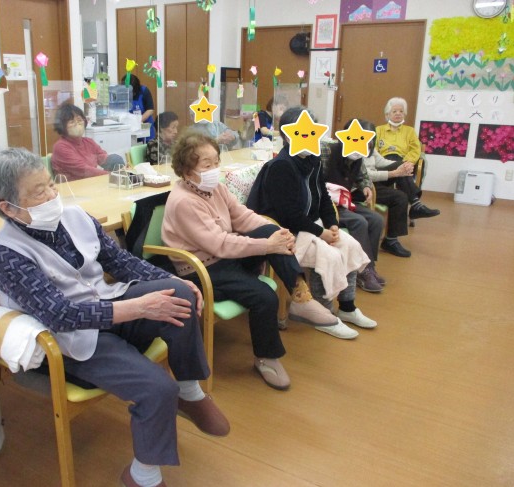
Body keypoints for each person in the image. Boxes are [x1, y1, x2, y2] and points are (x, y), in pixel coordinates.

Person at [0, 147, 228, 487]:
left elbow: (121, 262)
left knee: (178, 293)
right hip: (70, 341)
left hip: (108, 306)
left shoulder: (75, 217)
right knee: (157, 388)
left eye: (51, 184)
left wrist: (174, 280)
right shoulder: (3, 254)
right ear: (8, 207)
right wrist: (138, 308)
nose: (52, 195)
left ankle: (190, 392)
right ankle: (142, 475)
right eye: (38, 192)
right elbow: (60, 314)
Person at [162, 132, 357, 390]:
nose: (215, 169)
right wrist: (268, 245)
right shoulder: (184, 202)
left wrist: (277, 232)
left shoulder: (215, 188)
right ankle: (266, 358)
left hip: (224, 257)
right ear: (187, 171)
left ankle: (301, 296)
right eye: (207, 165)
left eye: (216, 162)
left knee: (269, 230)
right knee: (264, 295)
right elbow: (219, 243)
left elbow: (243, 216)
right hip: (200, 269)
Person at [247, 107, 377, 331]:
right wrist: (321, 233)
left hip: (312, 226)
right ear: (288, 135)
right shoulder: (281, 166)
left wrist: (332, 224)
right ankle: (324, 313)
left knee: (349, 245)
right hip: (288, 231)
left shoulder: (313, 159)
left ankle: (347, 307)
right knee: (328, 255)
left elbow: (323, 195)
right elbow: (288, 215)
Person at [320, 122, 386, 293]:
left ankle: (370, 266)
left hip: (344, 202)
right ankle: (362, 271)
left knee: (377, 220)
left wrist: (365, 186)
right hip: (326, 204)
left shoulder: (358, 156)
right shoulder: (327, 151)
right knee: (359, 222)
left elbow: (363, 176)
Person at [376, 97, 440, 220]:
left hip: (405, 161)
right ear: (387, 114)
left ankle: (414, 205)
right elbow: (373, 150)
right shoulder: (378, 130)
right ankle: (416, 204)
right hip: (384, 164)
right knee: (394, 158)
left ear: (404, 113)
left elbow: (415, 149)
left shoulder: (410, 131)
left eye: (401, 111)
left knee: (402, 165)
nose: (398, 114)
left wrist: (408, 162)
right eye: (394, 111)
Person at [358, 119, 413, 258]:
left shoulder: (370, 147)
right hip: (361, 187)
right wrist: (394, 173)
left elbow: (382, 162)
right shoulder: (353, 149)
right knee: (400, 197)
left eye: (372, 136)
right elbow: (365, 175)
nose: (369, 140)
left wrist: (403, 166)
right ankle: (391, 241)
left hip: (374, 182)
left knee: (402, 165)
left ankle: (416, 202)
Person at [51, 103, 124, 181]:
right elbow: (83, 170)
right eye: (72, 122)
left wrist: (120, 166)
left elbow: (103, 157)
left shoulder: (88, 142)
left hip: (90, 183)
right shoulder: (60, 147)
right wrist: (111, 176)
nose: (77, 124)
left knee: (115, 159)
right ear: (62, 126)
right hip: (72, 186)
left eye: (79, 120)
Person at [121, 74, 155, 141]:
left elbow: (150, 110)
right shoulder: (121, 93)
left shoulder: (144, 91)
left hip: (145, 127)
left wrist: (137, 121)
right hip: (129, 129)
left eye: (132, 92)